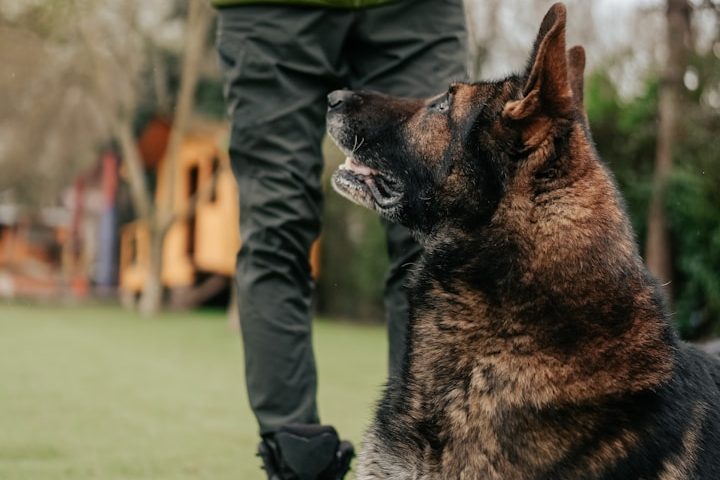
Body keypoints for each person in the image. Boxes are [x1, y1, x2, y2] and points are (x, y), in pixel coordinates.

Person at [213, 0, 467, 477]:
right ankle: (295, 462)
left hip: (415, 12)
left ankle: (423, 461)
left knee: (432, 229)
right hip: (269, 12)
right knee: (276, 226)